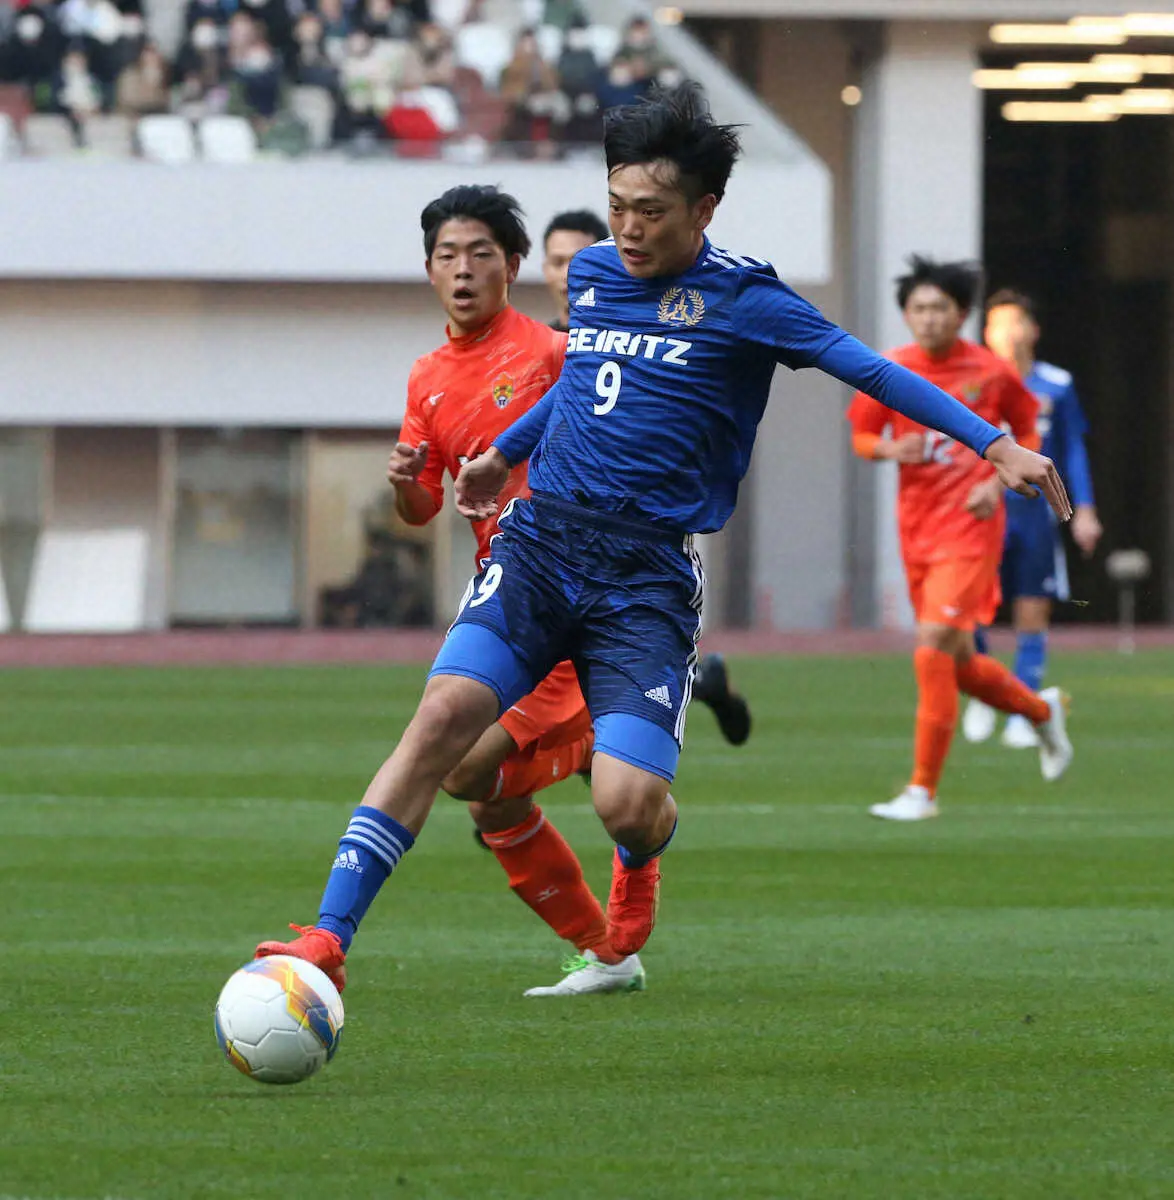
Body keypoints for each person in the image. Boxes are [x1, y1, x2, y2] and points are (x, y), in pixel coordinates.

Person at [254, 84, 1070, 991]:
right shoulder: (595, 274)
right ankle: (326, 941)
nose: (629, 228)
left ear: (703, 209)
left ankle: (641, 855)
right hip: (541, 543)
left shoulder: (750, 300)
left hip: (644, 577)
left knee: (626, 804)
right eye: (617, 206)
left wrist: (995, 444)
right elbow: (585, 381)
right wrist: (503, 456)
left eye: (650, 210)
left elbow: (872, 371)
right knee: (441, 723)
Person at [847, 257, 1075, 822]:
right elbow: (862, 435)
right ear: (906, 314)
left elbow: (1027, 428)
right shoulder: (890, 369)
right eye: (918, 308)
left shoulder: (991, 371)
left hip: (972, 529)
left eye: (939, 308)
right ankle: (1040, 713)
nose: (928, 318)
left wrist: (996, 484)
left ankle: (921, 791)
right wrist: (888, 449)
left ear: (961, 314)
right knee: (960, 662)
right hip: (917, 530)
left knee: (932, 647)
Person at [540, 207, 753, 744]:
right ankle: (697, 685)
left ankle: (676, 695)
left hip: (633, 540)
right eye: (556, 261)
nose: (566, 273)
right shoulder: (540, 345)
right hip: (547, 532)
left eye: (575, 258)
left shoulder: (642, 334)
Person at [962, 289, 1103, 749]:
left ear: (1033, 330)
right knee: (972, 605)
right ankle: (985, 690)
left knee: (1033, 607)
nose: (1007, 333)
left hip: (1035, 513)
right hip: (984, 509)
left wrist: (1085, 508)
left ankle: (1021, 710)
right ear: (986, 333)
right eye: (997, 324)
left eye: (1015, 322)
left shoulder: (1056, 384)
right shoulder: (973, 380)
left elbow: (1073, 448)